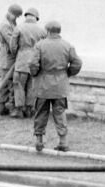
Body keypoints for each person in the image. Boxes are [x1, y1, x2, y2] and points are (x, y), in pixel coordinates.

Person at [29, 20, 82, 152]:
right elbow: (77, 63)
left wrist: (35, 74)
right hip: (60, 85)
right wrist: (67, 73)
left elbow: (33, 64)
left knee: (41, 113)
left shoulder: (40, 45)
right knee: (60, 113)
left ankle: (39, 141)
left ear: (47, 31)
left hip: (43, 86)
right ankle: (63, 142)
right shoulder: (67, 45)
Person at [9, 8, 47, 118]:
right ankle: (29, 109)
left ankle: (19, 110)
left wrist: (18, 54)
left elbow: (13, 46)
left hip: (22, 61)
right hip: (35, 62)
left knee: (19, 85)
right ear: (36, 18)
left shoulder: (19, 28)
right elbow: (45, 47)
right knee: (32, 86)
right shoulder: (42, 30)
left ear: (26, 16)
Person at [0, 4, 24, 117]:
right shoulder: (5, 25)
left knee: (11, 82)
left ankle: (6, 107)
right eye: (15, 16)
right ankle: (2, 107)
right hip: (7, 57)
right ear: (10, 13)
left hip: (11, 57)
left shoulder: (12, 23)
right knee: (6, 82)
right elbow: (11, 40)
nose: (16, 18)